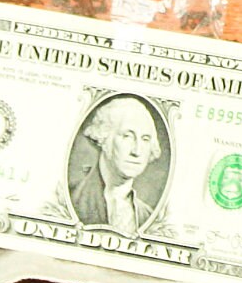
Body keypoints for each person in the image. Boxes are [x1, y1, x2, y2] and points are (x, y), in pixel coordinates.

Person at [69, 95, 168, 233]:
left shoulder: (148, 216)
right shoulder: (72, 199)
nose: (137, 151)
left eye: (145, 139)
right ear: (103, 137)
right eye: (127, 136)